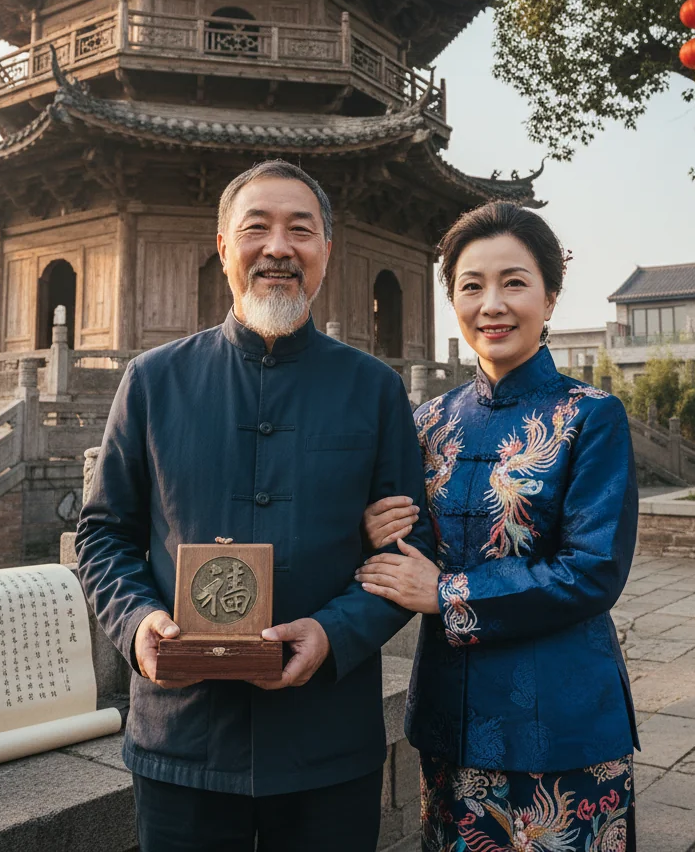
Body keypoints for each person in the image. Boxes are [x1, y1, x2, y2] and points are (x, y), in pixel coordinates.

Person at [75, 159, 434, 852]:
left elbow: (406, 554)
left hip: (327, 738)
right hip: (182, 738)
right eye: (256, 228)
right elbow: (103, 533)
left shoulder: (375, 390)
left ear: (327, 251)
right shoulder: (152, 381)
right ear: (223, 247)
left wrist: (335, 632)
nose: (278, 247)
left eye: (300, 230)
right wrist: (138, 621)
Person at [355, 201, 640, 851]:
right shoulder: (428, 422)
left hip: (562, 720)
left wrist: (449, 594)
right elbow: (412, 550)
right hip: (450, 718)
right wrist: (377, 525)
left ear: (550, 294)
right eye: (471, 286)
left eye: (514, 282)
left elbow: (593, 570)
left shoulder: (590, 416)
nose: (493, 305)